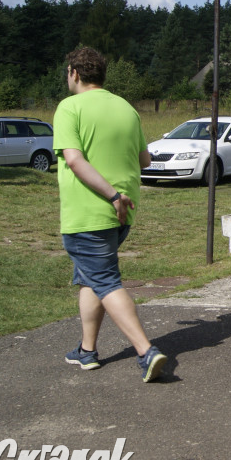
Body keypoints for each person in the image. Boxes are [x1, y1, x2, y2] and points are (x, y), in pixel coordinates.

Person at [56, 47, 167, 382]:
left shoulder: (69, 108)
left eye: (67, 72)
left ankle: (146, 352)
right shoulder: (127, 109)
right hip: (122, 215)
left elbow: (74, 160)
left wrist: (111, 194)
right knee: (90, 278)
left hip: (91, 212)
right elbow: (144, 160)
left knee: (104, 280)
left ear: (75, 72)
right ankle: (87, 351)